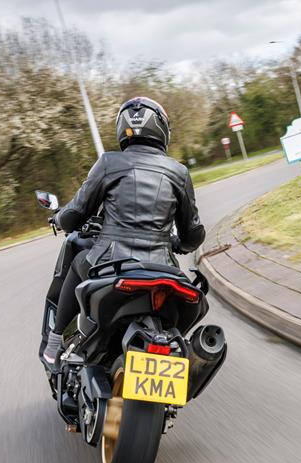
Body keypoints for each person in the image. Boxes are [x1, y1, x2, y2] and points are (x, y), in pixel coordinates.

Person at [42, 97, 205, 368]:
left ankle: (56, 340)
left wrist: (59, 217)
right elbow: (193, 233)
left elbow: (75, 215)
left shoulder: (109, 162)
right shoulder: (179, 172)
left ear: (122, 129)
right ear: (162, 129)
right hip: (162, 268)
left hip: (110, 263)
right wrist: (178, 243)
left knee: (78, 262)